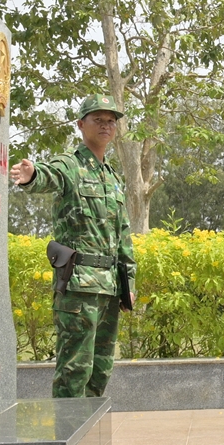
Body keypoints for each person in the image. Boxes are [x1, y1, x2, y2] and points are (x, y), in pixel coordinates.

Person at [10, 94, 137, 399]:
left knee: (100, 371)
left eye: (111, 121)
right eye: (98, 119)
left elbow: (123, 235)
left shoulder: (112, 177)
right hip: (79, 287)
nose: (106, 126)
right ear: (81, 125)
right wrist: (31, 176)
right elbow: (48, 175)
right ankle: (65, 442)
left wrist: (128, 282)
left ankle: (90, 443)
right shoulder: (70, 164)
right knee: (75, 371)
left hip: (108, 288)